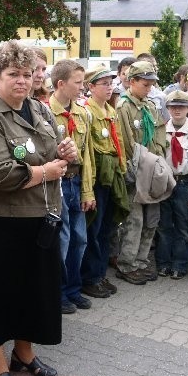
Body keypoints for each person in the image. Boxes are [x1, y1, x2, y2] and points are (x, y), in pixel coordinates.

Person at [0, 40, 77, 376]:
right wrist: (47, 170)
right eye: (13, 74)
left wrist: (66, 154)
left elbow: (52, 157)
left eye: (27, 75)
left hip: (39, 215)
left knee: (34, 291)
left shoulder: (40, 110)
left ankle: (24, 354)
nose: (22, 81)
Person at [48, 59, 95, 312]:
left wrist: (88, 190)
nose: (82, 86)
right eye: (78, 82)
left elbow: (87, 156)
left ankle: (73, 289)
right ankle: (58, 292)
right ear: (61, 84)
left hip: (76, 182)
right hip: (57, 182)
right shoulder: (45, 112)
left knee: (80, 238)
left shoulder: (82, 113)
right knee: (62, 239)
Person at [115, 60, 167, 285]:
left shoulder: (149, 106)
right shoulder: (123, 106)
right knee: (134, 220)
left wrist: (159, 165)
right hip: (135, 173)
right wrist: (133, 172)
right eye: (145, 84)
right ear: (132, 81)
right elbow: (125, 142)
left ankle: (141, 261)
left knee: (151, 220)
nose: (149, 88)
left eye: (151, 84)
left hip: (152, 171)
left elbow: (159, 136)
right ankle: (127, 264)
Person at [81, 65, 128, 298]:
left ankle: (99, 274)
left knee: (107, 228)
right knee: (94, 228)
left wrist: (122, 167)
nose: (110, 88)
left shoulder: (110, 111)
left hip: (112, 176)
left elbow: (117, 143)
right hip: (97, 177)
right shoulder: (87, 111)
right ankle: (90, 277)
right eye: (104, 84)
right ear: (90, 87)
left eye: (111, 83)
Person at [156, 90, 188, 280]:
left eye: (181, 107)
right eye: (173, 107)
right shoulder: (160, 132)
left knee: (184, 226)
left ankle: (180, 264)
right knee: (164, 225)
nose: (177, 110)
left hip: (185, 183)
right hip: (165, 182)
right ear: (167, 108)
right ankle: (163, 263)